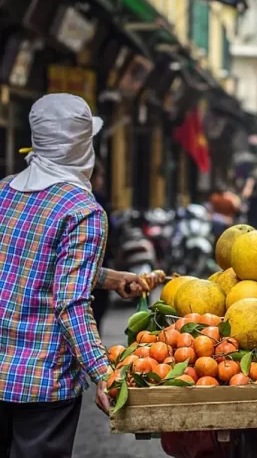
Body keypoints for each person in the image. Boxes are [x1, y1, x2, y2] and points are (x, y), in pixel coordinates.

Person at [0, 94, 147, 458]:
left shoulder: (4, 190)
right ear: (84, 146)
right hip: (41, 382)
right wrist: (102, 374)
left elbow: (28, 264)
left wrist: (108, 277)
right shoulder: (83, 210)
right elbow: (70, 301)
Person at [90, 161, 113, 333]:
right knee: (94, 310)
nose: (101, 180)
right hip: (99, 261)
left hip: (98, 267)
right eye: (99, 176)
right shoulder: (94, 203)